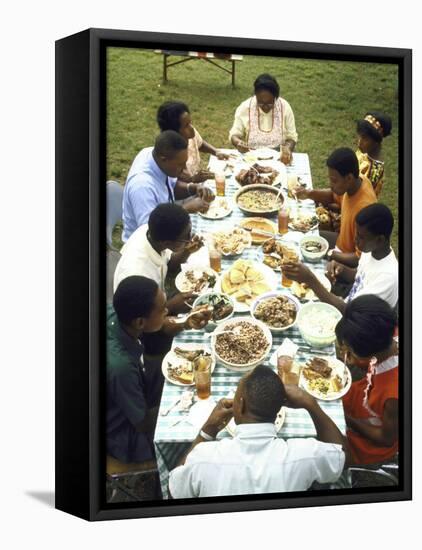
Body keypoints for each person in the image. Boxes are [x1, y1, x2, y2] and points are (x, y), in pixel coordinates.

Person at [169, 366, 349, 498]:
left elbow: (175, 488)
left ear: (240, 405)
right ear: (279, 409)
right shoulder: (305, 454)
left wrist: (207, 431)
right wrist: (310, 404)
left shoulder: (203, 458)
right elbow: (342, 457)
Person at [107, 276, 212, 464]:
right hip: (124, 434)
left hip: (138, 385)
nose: (167, 312)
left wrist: (185, 322)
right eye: (163, 309)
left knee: (176, 368)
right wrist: (186, 399)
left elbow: (156, 323)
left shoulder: (117, 315)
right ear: (140, 322)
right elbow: (142, 423)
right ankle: (171, 481)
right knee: (198, 435)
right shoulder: (121, 366)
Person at [282, 203, 398, 311]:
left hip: (357, 325)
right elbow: (360, 276)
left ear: (380, 239)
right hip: (348, 303)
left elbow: (350, 312)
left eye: (360, 237)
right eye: (357, 233)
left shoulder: (387, 277)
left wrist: (310, 280)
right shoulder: (373, 250)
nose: (355, 239)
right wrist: (341, 269)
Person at [335, 295, 398, 465]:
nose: (347, 355)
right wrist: (356, 358)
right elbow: (376, 367)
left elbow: (386, 439)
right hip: (362, 396)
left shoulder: (394, 395)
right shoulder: (387, 331)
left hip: (369, 437)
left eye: (351, 352)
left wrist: (346, 419)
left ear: (369, 353)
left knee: (325, 440)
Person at [122, 130, 214, 241]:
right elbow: (151, 233)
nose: (185, 169)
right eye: (180, 164)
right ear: (163, 159)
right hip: (145, 247)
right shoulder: (142, 187)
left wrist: (193, 188)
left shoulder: (153, 155)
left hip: (165, 230)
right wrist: (184, 210)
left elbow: (171, 187)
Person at [114, 203, 204, 314]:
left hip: (156, 301)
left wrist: (187, 250)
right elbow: (142, 323)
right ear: (167, 242)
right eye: (186, 237)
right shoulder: (139, 272)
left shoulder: (153, 233)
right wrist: (170, 306)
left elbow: (169, 265)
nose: (190, 239)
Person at [295, 147, 377, 267]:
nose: (331, 185)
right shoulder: (358, 181)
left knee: (303, 264)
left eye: (334, 181)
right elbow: (333, 196)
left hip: (346, 262)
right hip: (340, 242)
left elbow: (359, 259)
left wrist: (329, 253)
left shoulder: (364, 209)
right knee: (301, 238)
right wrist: (308, 194)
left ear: (348, 178)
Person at [229, 73, 298, 164]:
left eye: (269, 103)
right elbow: (234, 135)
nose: (265, 107)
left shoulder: (285, 107)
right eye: (260, 103)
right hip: (251, 157)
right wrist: (238, 143)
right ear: (255, 96)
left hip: (278, 158)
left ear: (275, 98)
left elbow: (291, 137)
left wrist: (287, 149)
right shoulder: (245, 107)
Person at [157, 101, 230, 183]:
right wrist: (192, 180)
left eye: (190, 123)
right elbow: (174, 185)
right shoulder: (170, 152)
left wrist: (216, 152)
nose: (192, 128)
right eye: (186, 125)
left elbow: (200, 144)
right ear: (174, 131)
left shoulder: (190, 136)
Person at [356, 111, 392, 197]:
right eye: (360, 136)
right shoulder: (363, 151)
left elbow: (360, 198)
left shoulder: (375, 170)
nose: (359, 142)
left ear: (376, 141)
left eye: (365, 139)